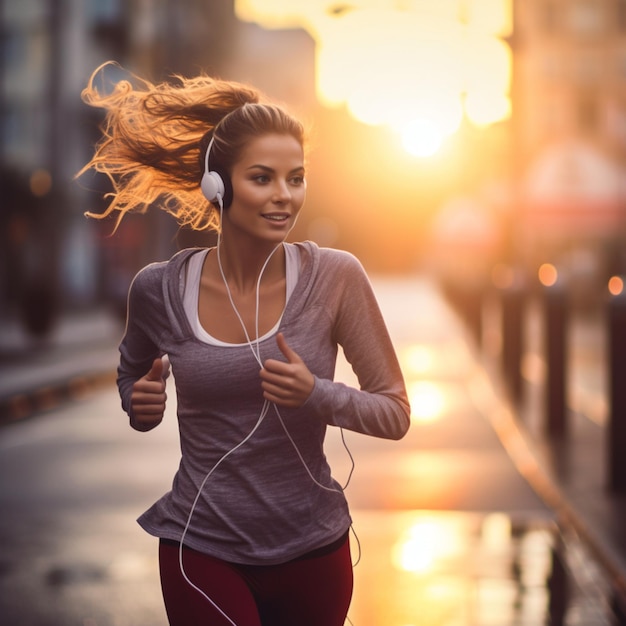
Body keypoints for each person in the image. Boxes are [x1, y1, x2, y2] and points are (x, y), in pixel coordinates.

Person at [79, 61, 411, 626]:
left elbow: (395, 412)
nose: (285, 196)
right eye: (263, 177)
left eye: (296, 178)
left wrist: (316, 393)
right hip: (200, 548)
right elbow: (132, 378)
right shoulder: (158, 288)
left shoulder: (336, 277)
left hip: (314, 553)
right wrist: (139, 404)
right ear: (218, 184)